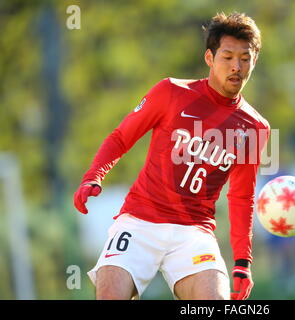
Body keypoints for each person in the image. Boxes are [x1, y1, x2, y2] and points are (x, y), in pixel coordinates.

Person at [73, 12, 270, 300]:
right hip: (140, 221)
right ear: (209, 58)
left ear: (254, 61)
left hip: (194, 233)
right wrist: (94, 175)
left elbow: (241, 196)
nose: (236, 66)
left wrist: (242, 262)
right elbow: (121, 137)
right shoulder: (171, 92)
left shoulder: (255, 127)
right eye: (227, 57)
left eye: (245, 58)